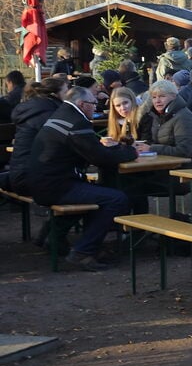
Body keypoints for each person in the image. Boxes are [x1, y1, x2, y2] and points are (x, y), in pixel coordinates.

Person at [27, 87, 138, 271]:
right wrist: (131, 151)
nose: (95, 107)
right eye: (93, 104)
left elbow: (92, 151)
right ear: (82, 104)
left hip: (43, 183)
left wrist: (111, 150)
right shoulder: (77, 122)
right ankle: (83, 251)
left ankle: (54, 238)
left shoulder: (61, 114)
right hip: (57, 187)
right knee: (117, 199)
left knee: (97, 193)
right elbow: (99, 157)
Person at [137, 80, 192, 170]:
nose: (157, 101)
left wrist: (151, 148)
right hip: (165, 167)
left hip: (188, 170)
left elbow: (183, 151)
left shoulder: (183, 117)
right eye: (154, 97)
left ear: (174, 96)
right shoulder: (156, 116)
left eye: (162, 96)